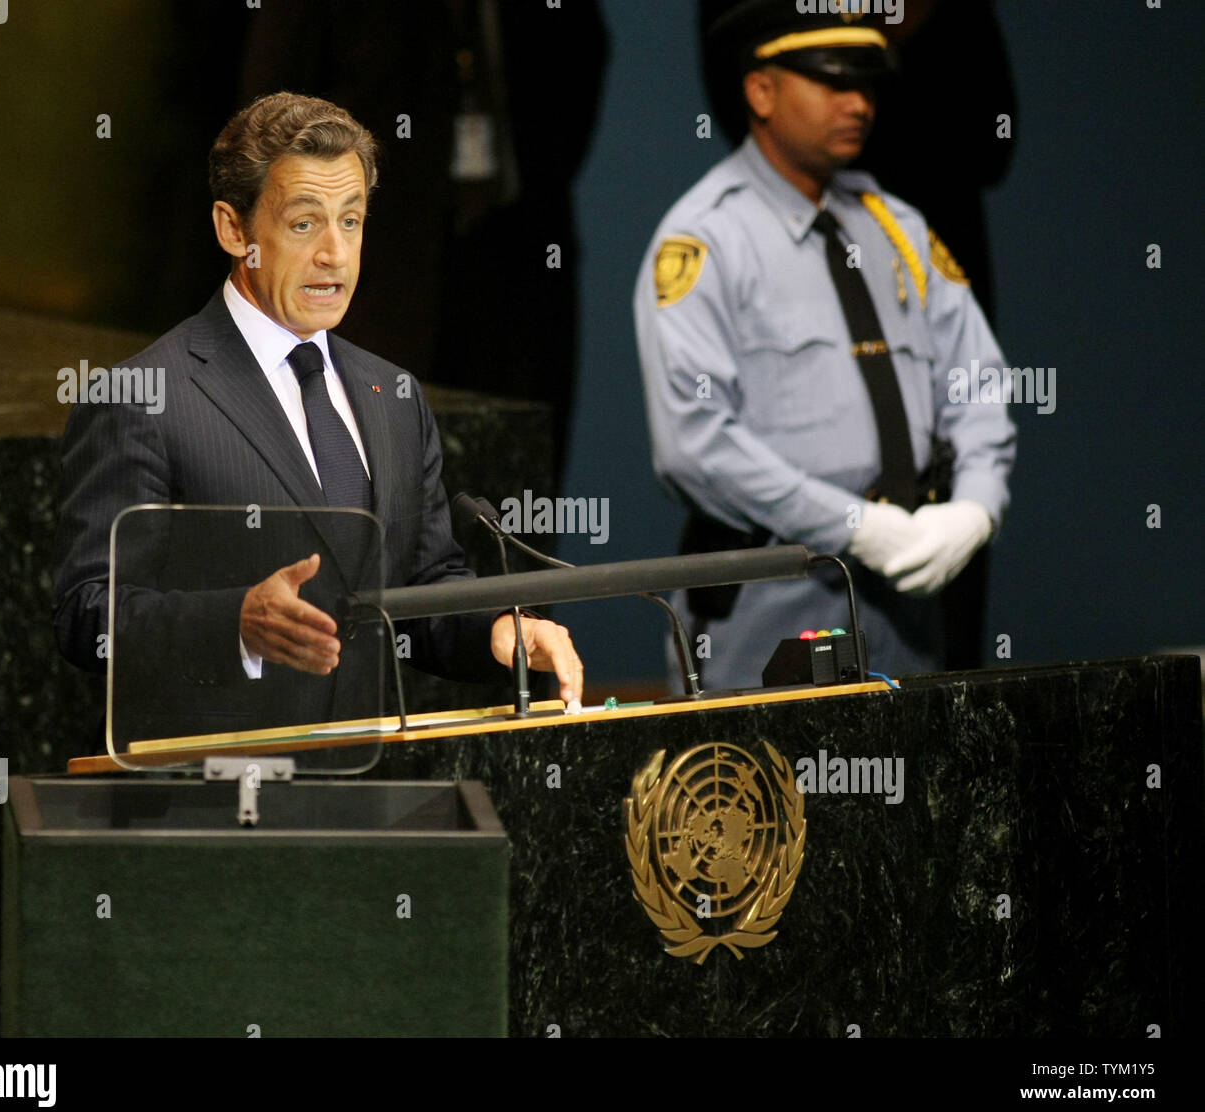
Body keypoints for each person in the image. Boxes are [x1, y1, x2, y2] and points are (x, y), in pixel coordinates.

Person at [53, 93, 582, 746]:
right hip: (213, 808)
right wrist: (236, 623)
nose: (335, 253)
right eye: (305, 224)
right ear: (232, 229)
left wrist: (499, 629)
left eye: (352, 221)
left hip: (370, 795)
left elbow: (423, 588)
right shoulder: (143, 398)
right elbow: (86, 616)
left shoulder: (392, 394)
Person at [634, 1, 1016, 691]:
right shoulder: (706, 241)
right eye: (830, 81)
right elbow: (694, 442)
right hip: (770, 594)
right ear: (761, 90)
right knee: (768, 792)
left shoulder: (896, 227)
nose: (857, 103)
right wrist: (853, 524)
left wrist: (976, 503)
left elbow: (977, 380)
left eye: (867, 83)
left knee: (907, 788)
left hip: (906, 599)